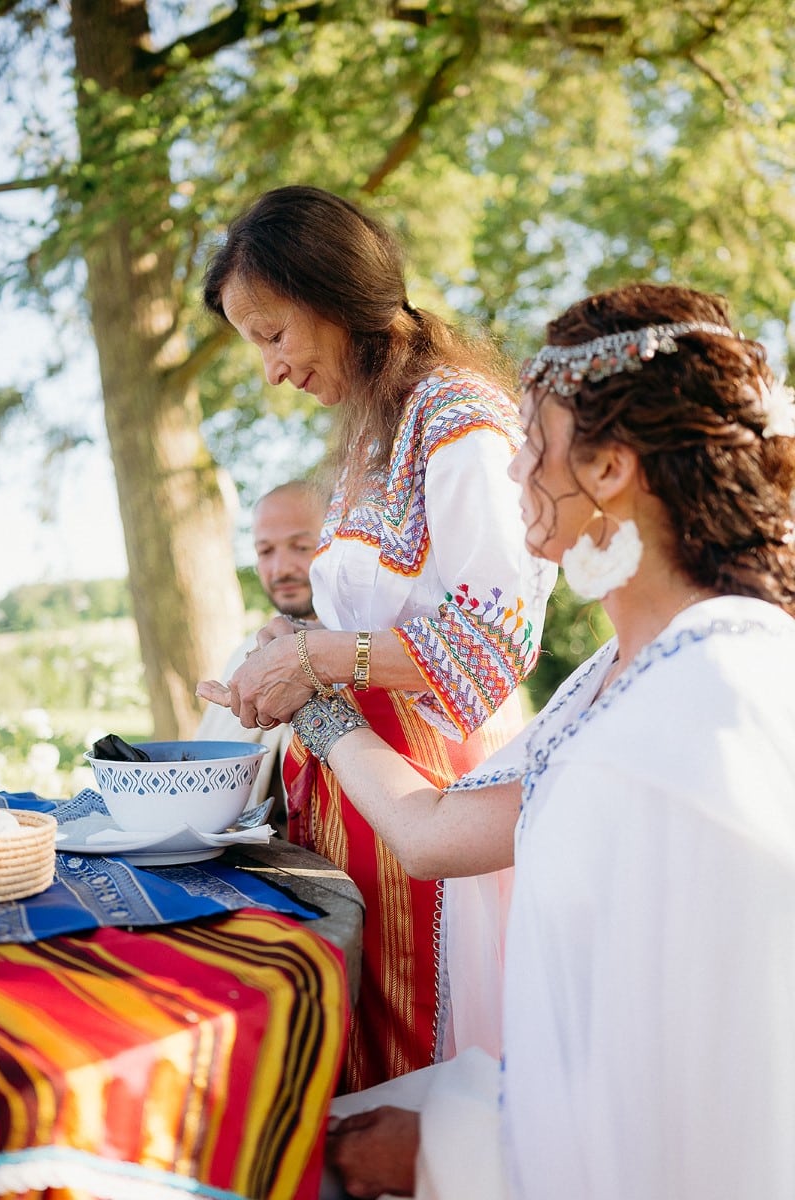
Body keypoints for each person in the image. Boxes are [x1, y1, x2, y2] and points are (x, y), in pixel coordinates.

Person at [281, 282, 795, 1199]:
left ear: (608, 470)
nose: (509, 471)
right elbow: (433, 832)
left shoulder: (717, 707)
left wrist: (446, 1152)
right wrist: (315, 701)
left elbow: (712, 1103)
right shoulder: (611, 683)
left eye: (530, 443)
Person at [196, 185, 557, 1091]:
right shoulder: (368, 433)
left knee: (419, 1073)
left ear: (332, 293)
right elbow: (373, 618)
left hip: (431, 796)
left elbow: (491, 640)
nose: (272, 370)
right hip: (356, 789)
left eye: (273, 334)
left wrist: (315, 658)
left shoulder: (461, 417)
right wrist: (286, 648)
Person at [196, 480, 326, 829]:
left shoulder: (367, 649)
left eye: (301, 546)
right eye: (265, 551)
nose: (281, 568)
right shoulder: (243, 653)